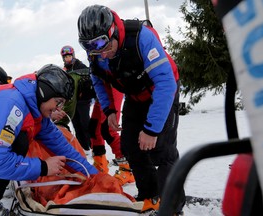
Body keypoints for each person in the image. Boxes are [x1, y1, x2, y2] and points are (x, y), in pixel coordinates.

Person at [77, 5, 185, 214]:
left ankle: (172, 207)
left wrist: (152, 129)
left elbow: (166, 83)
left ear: (113, 32)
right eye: (93, 49)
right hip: (135, 95)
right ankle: (149, 194)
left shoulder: (141, 38)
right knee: (130, 145)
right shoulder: (96, 52)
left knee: (163, 150)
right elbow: (98, 79)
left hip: (162, 90)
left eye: (105, 46)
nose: (103, 55)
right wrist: (109, 110)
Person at [0, 64, 98, 215]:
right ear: (45, 92)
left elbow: (64, 148)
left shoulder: (36, 114)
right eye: (59, 101)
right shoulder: (12, 103)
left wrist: (95, 176)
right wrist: (43, 167)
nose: (59, 108)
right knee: (18, 142)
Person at [89, 87, 135, 186]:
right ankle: (100, 164)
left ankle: (126, 168)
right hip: (102, 87)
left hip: (112, 84)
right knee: (94, 127)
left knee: (109, 129)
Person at [59, 45, 93, 152]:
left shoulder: (80, 66)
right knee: (76, 124)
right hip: (72, 102)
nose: (67, 59)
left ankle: (92, 146)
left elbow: (88, 76)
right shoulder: (64, 70)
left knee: (85, 123)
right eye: (65, 57)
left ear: (73, 56)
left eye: (69, 56)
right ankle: (83, 147)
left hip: (83, 100)